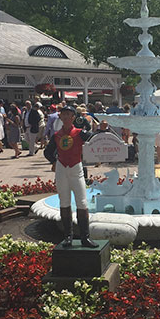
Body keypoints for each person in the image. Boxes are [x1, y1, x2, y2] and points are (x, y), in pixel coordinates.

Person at [44, 106, 97, 248]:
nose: (66, 117)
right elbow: (47, 152)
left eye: (69, 114)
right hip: (62, 169)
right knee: (64, 202)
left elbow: (94, 140)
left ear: (73, 117)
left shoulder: (80, 133)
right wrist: (54, 161)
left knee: (82, 202)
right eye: (63, 114)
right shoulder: (56, 135)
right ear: (60, 117)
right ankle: (68, 236)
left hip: (76, 168)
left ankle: (85, 237)